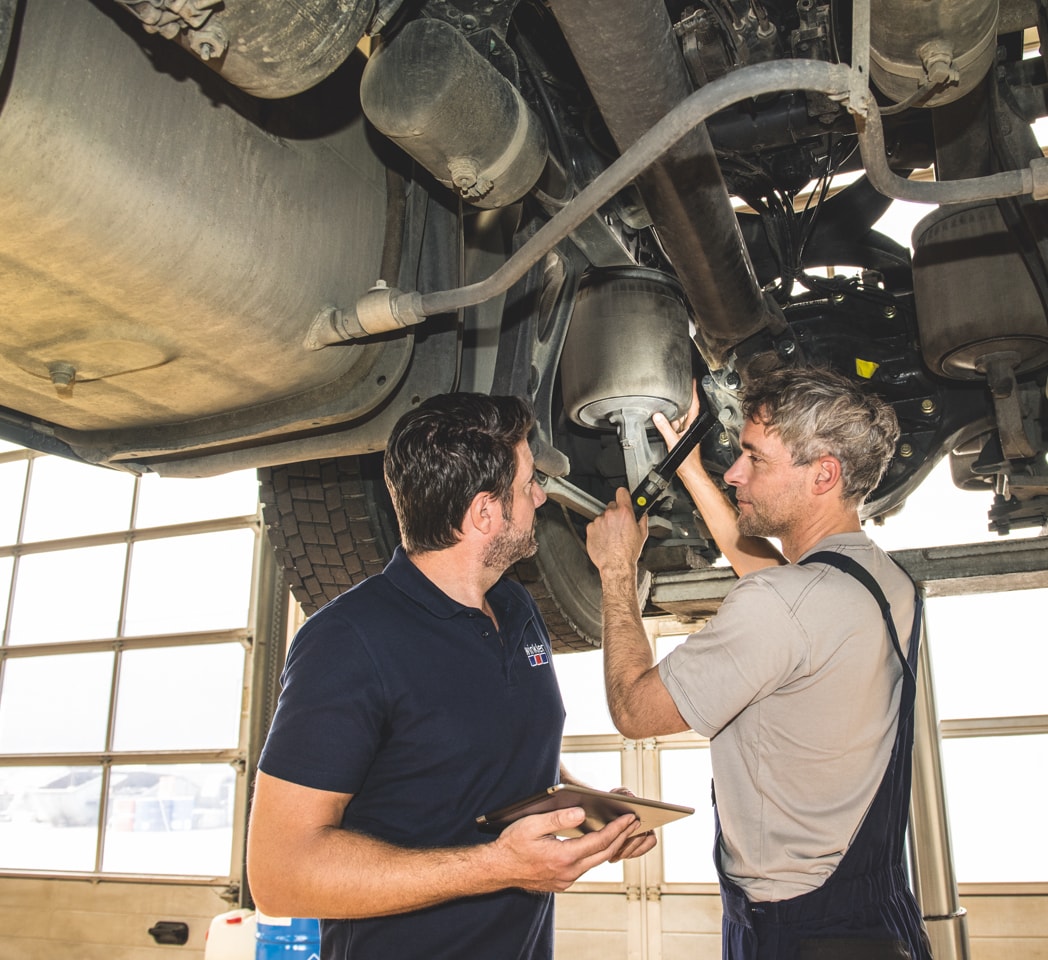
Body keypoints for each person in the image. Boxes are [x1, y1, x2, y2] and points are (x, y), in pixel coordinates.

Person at [247, 392, 655, 960]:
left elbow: (506, 758)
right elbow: (279, 876)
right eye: (529, 482)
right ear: (484, 514)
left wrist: (592, 813)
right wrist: (498, 866)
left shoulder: (515, 607)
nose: (540, 495)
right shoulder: (347, 642)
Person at [585, 366, 933, 960]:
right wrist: (690, 471)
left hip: (797, 932)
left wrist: (617, 572)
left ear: (824, 473)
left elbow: (634, 710)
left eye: (755, 459)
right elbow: (776, 586)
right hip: (881, 916)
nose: (735, 471)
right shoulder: (884, 580)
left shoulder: (781, 606)